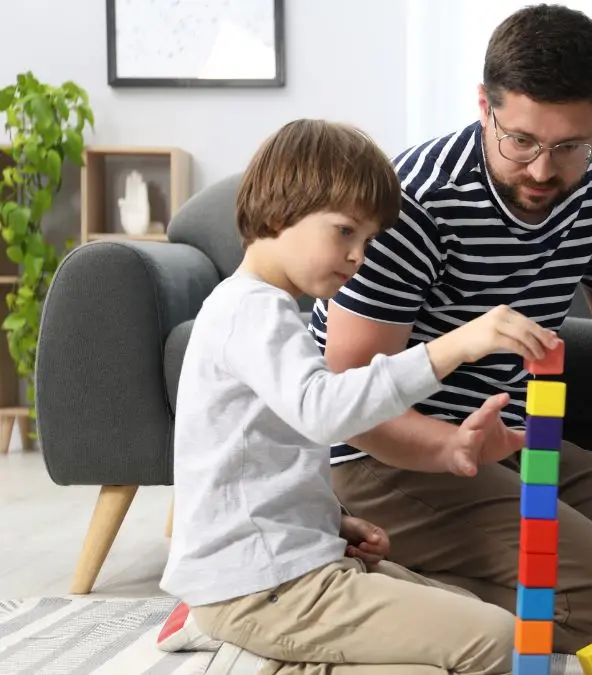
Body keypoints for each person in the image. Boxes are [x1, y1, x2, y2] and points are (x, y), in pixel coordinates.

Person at [309, 4, 592, 651]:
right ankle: (355, 576)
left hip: (510, 440)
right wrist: (449, 450)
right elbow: (347, 398)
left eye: (569, 145)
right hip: (376, 458)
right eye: (521, 140)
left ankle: (440, 567)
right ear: (483, 106)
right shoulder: (413, 202)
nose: (544, 171)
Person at [162, 118, 562, 675]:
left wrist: (329, 521)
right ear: (281, 212)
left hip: (285, 569)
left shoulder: (263, 310)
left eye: (368, 241)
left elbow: (256, 463)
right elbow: (323, 411)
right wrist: (452, 348)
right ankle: (253, 658)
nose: (358, 256)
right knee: (494, 640)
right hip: (259, 588)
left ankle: (250, 642)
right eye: (345, 231)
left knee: (468, 615)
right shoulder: (250, 311)